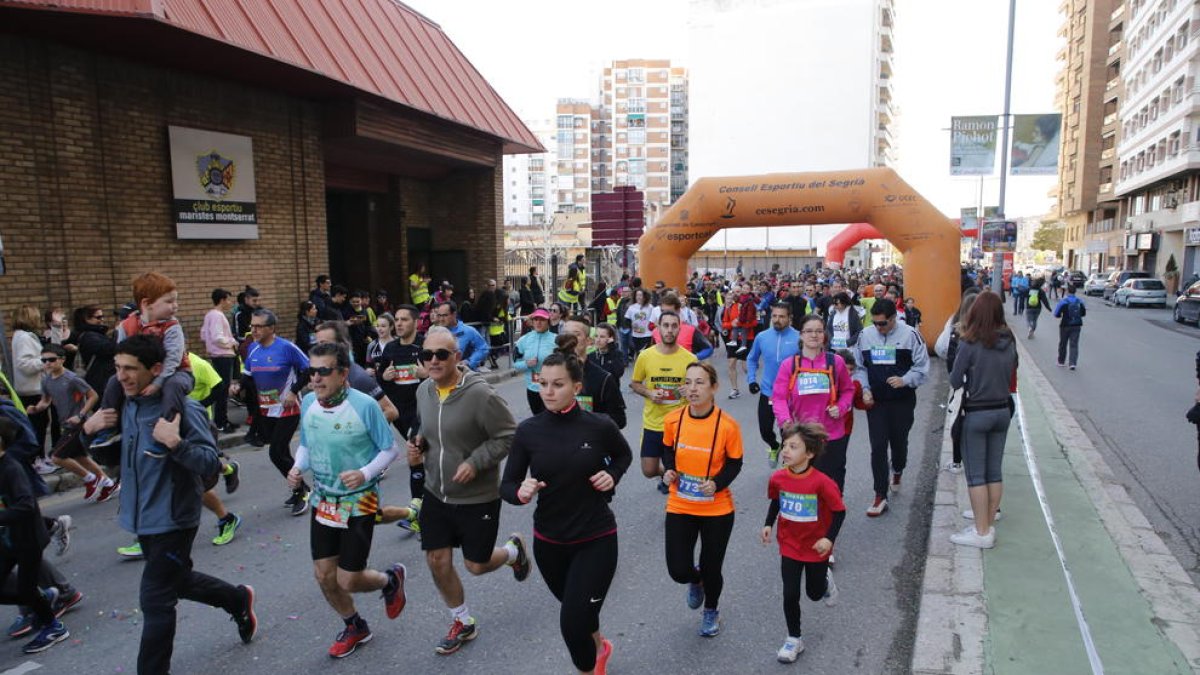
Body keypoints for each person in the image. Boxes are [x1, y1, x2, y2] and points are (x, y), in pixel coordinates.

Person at [94, 335, 257, 673]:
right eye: (117, 368)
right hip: (142, 520)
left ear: (155, 369)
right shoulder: (126, 405)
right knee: (177, 580)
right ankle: (236, 599)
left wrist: (176, 443)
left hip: (174, 520)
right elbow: (110, 454)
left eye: (130, 369)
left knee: (155, 599)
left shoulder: (183, 410)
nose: (121, 376)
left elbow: (212, 464)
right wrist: (88, 430)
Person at [500, 351, 630, 675]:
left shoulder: (599, 425)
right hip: (550, 543)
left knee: (572, 625)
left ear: (576, 386)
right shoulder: (529, 431)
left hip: (596, 538)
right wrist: (520, 492)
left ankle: (589, 668)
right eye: (542, 383)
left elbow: (623, 456)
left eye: (557, 384)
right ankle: (601, 645)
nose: (548, 391)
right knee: (579, 612)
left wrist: (611, 475)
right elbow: (508, 485)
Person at [407, 326, 527, 655]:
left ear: (457, 357)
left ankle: (513, 553)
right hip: (436, 492)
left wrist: (475, 462)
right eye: (427, 354)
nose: (433, 360)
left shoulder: (480, 394)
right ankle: (462, 620)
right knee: (437, 560)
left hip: (477, 497)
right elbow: (428, 433)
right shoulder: (423, 392)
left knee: (476, 564)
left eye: (441, 354)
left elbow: (507, 435)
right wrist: (418, 448)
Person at [289, 342, 408, 658]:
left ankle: (389, 580)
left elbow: (390, 449)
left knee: (349, 578)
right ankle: (355, 625)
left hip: (361, 499)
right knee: (324, 576)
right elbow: (306, 443)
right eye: (311, 371)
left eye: (324, 371)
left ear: (343, 374)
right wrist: (298, 466)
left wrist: (365, 473)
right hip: (324, 499)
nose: (315, 378)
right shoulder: (309, 403)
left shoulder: (365, 405)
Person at [661, 361, 743, 638]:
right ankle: (695, 580)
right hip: (680, 504)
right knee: (677, 569)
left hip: (717, 508)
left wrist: (717, 483)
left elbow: (735, 463)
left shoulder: (727, 426)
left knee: (712, 566)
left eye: (699, 383)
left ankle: (711, 610)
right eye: (689, 382)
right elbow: (667, 450)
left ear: (714, 388)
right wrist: (669, 469)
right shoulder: (674, 419)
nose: (692, 388)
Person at [763, 422, 845, 663]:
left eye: (793, 447)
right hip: (789, 544)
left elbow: (839, 511)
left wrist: (828, 539)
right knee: (790, 594)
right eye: (785, 445)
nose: (786, 451)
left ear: (809, 454)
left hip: (815, 547)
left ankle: (825, 581)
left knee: (813, 592)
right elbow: (776, 501)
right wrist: (768, 524)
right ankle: (794, 638)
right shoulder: (778, 478)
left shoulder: (822, 482)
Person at [89, 272, 197, 457]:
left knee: (174, 386)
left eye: (175, 301)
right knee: (114, 382)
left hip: (175, 372)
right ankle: (109, 427)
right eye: (169, 302)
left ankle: (166, 431)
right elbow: (121, 352)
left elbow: (173, 358)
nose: (175, 306)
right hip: (142, 374)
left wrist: (158, 382)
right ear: (146, 304)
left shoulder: (171, 326)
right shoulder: (127, 326)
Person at [950, 292, 1018, 549]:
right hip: (1002, 410)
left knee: (976, 476)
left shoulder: (969, 343)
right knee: (994, 471)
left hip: (977, 412)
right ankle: (987, 523)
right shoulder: (1009, 341)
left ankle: (981, 532)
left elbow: (956, 380)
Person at [230, 309, 312, 516]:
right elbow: (248, 376)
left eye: (258, 326)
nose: (253, 330)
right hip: (266, 410)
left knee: (276, 452)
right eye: (252, 326)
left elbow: (309, 369)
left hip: (288, 408)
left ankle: (302, 491)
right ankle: (299, 488)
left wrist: (293, 392)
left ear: (271, 328)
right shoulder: (253, 350)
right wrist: (238, 386)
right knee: (281, 453)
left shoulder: (286, 348)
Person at [853, 298, 930, 517]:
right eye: (875, 323)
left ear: (894, 318)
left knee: (899, 443)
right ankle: (880, 494)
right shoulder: (865, 336)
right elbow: (859, 366)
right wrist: (864, 389)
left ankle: (898, 468)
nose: (879, 328)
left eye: (883, 323)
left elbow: (923, 368)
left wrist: (905, 380)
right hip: (875, 401)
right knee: (877, 446)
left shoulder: (910, 335)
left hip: (902, 400)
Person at [0, 415, 69, 654]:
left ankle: (53, 626)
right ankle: (45, 597)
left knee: (27, 590)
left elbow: (26, 505)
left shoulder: (11, 468)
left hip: (27, 540)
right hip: (8, 539)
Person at [771, 315, 855, 495]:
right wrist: (785, 421)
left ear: (825, 335)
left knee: (832, 483)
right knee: (803, 484)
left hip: (831, 434)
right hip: (802, 435)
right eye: (809, 331)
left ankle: (833, 518)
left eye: (819, 331)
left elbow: (848, 391)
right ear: (801, 335)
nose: (814, 335)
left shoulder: (836, 362)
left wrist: (840, 408)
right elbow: (778, 397)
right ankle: (808, 521)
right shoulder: (789, 365)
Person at [28, 345, 116, 503]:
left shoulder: (72, 378)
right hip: (65, 424)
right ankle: (108, 483)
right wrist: (36, 408)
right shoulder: (46, 380)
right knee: (80, 457)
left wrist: (80, 414)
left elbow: (93, 396)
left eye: (52, 359)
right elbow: (46, 401)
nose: (47, 363)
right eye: (44, 360)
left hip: (78, 424)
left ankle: (90, 479)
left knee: (56, 457)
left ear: (62, 360)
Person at [630, 312, 694, 493]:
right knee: (649, 470)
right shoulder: (646, 356)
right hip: (653, 423)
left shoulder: (689, 359)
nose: (669, 330)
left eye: (674, 326)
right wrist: (649, 392)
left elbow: (700, 390)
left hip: (678, 425)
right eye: (665, 325)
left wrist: (689, 391)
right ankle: (668, 475)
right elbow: (634, 384)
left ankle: (677, 503)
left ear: (679, 328)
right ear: (658, 328)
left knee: (678, 468)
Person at [747, 303, 801, 467]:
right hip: (768, 392)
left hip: (789, 395)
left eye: (782, 316)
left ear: (790, 318)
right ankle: (774, 446)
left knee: (788, 433)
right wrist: (751, 379)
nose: (777, 320)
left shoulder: (799, 338)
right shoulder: (762, 337)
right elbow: (751, 359)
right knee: (765, 431)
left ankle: (789, 467)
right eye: (775, 316)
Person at [557, 320, 626, 429]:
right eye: (565, 334)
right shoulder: (552, 373)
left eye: (576, 334)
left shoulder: (604, 377)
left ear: (588, 341)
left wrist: (589, 419)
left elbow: (619, 420)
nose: (569, 338)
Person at [11, 305, 54, 474]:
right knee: (37, 426)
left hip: (34, 387)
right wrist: (45, 362)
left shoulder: (24, 336)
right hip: (31, 389)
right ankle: (35, 460)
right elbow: (24, 364)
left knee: (41, 424)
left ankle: (39, 457)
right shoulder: (23, 338)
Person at [201, 288, 240, 434]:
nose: (230, 303)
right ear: (222, 300)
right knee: (223, 390)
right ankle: (221, 422)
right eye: (229, 300)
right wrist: (232, 342)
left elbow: (204, 335)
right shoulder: (217, 315)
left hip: (217, 355)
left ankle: (222, 419)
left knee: (221, 389)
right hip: (223, 356)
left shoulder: (210, 315)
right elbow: (217, 337)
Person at [512, 308, 557, 415]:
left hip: (551, 387)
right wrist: (526, 364)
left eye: (542, 319)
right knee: (537, 417)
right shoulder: (523, 340)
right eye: (536, 319)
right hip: (532, 387)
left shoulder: (556, 340)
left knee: (550, 417)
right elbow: (515, 364)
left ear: (548, 322)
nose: (538, 322)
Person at [431, 301, 490, 372]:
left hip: (464, 376)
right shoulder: (435, 332)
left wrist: (469, 362)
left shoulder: (468, 331)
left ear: (454, 314)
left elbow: (483, 348)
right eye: (439, 315)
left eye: (445, 315)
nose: (441, 319)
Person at [74, 304, 116, 398]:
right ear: (87, 319)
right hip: (99, 381)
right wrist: (117, 334)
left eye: (102, 316)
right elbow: (108, 349)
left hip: (101, 379)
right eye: (98, 317)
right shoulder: (89, 336)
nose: (102, 320)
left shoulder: (97, 334)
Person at [1053, 285, 1086, 370]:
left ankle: (1061, 361)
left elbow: (1056, 314)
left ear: (1067, 291)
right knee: (1074, 344)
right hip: (1077, 325)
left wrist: (1061, 315)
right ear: (1075, 291)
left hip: (1065, 325)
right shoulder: (1080, 301)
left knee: (1063, 343)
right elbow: (1083, 313)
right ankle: (1072, 363)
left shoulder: (1064, 301)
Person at [625, 289, 654, 357]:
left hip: (647, 335)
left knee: (644, 353)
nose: (639, 297)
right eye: (637, 295)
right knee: (638, 353)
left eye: (641, 295)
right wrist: (631, 325)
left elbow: (653, 320)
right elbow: (627, 320)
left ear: (644, 297)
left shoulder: (650, 307)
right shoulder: (631, 307)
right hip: (635, 335)